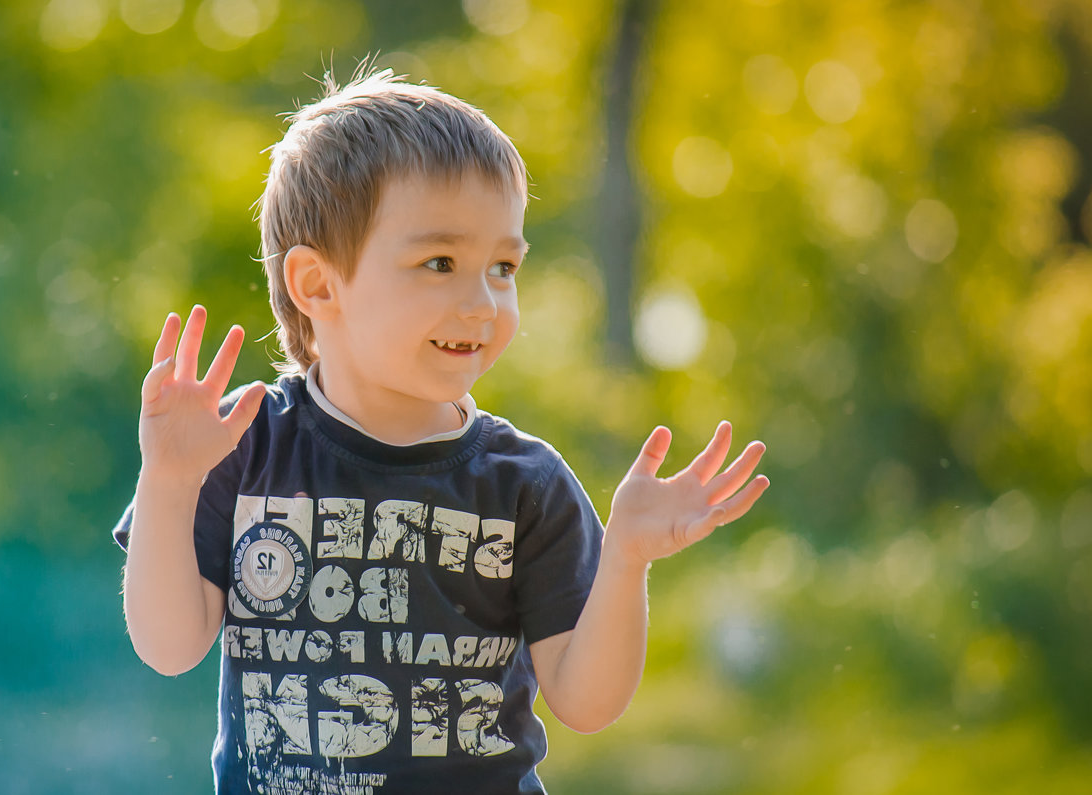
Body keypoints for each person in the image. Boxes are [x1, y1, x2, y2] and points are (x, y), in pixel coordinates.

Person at [113, 67, 769, 794]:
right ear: (319, 286)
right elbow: (169, 647)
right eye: (441, 262)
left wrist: (627, 559)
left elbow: (586, 703)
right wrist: (168, 482)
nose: (483, 301)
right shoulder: (242, 443)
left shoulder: (524, 482)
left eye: (503, 266)